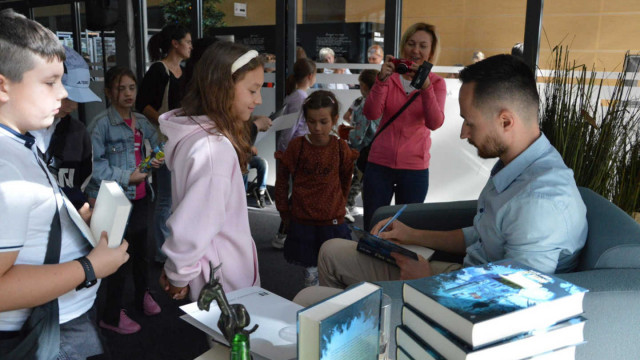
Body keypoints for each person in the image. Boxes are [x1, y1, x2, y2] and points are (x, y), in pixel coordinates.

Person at [296, 55, 588, 304]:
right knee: (330, 251)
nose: (463, 132)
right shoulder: (516, 166)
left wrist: (428, 281)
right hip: (462, 274)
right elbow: (481, 235)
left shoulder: (540, 201)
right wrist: (412, 234)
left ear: (506, 121)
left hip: (463, 299)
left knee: (306, 300)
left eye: (469, 122)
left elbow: (511, 300)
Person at [0, 9, 128, 358]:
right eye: (50, 81)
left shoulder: (18, 146)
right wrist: (90, 267)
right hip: (39, 330)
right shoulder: (6, 165)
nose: (62, 95)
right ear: (3, 86)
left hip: (55, 317)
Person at [158, 41, 262, 301]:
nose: (258, 100)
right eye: (252, 90)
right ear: (224, 88)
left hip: (213, 272)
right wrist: (177, 275)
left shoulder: (196, 134)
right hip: (223, 283)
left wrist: (176, 272)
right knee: (229, 341)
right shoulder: (213, 149)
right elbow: (193, 226)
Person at [87, 66, 163, 334]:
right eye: (121, 88)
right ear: (109, 92)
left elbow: (160, 148)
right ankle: (111, 314)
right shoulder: (100, 125)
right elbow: (94, 167)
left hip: (142, 198)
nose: (128, 93)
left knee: (141, 254)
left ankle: (143, 295)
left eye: (132, 87)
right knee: (117, 259)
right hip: (115, 200)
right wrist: (128, 176)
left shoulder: (142, 121)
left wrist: (148, 167)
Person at [361, 22, 447, 230]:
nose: (416, 50)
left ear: (431, 51)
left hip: (414, 169)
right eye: (411, 43)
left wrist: (425, 87)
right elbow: (371, 113)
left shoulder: (436, 83)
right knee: (373, 226)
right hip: (379, 164)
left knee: (407, 229)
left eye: (423, 46)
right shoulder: (389, 78)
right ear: (403, 46)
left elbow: (434, 123)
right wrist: (381, 80)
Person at [274, 91, 359, 287]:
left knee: (335, 267)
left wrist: (341, 202)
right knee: (311, 270)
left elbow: (347, 177)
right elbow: (282, 179)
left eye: (323, 122)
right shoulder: (298, 146)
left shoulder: (340, 148)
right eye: (312, 122)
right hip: (304, 219)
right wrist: (283, 210)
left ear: (335, 119)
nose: (317, 128)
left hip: (332, 219)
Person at [136, 24, 192, 264]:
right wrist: (165, 121)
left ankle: (174, 246)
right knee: (166, 198)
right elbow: (142, 103)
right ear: (175, 44)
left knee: (181, 197)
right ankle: (161, 251)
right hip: (164, 142)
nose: (190, 46)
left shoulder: (185, 72)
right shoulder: (158, 70)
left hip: (184, 140)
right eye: (187, 42)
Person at [31, 45, 101, 210]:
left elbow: (84, 178)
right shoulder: (14, 133)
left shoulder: (78, 132)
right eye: (68, 97)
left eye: (78, 99)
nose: (73, 106)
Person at [272, 57, 317, 249]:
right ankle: (283, 233)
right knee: (299, 193)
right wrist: (285, 151)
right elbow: (291, 129)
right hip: (298, 151)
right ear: (310, 76)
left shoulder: (294, 96)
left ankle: (288, 232)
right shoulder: (300, 98)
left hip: (296, 150)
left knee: (299, 192)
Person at [342, 69, 381, 219]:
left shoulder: (365, 104)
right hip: (374, 147)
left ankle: (346, 204)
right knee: (360, 179)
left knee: (359, 178)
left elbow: (358, 135)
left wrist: (347, 136)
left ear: (364, 86)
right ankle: (349, 204)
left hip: (362, 148)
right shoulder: (380, 101)